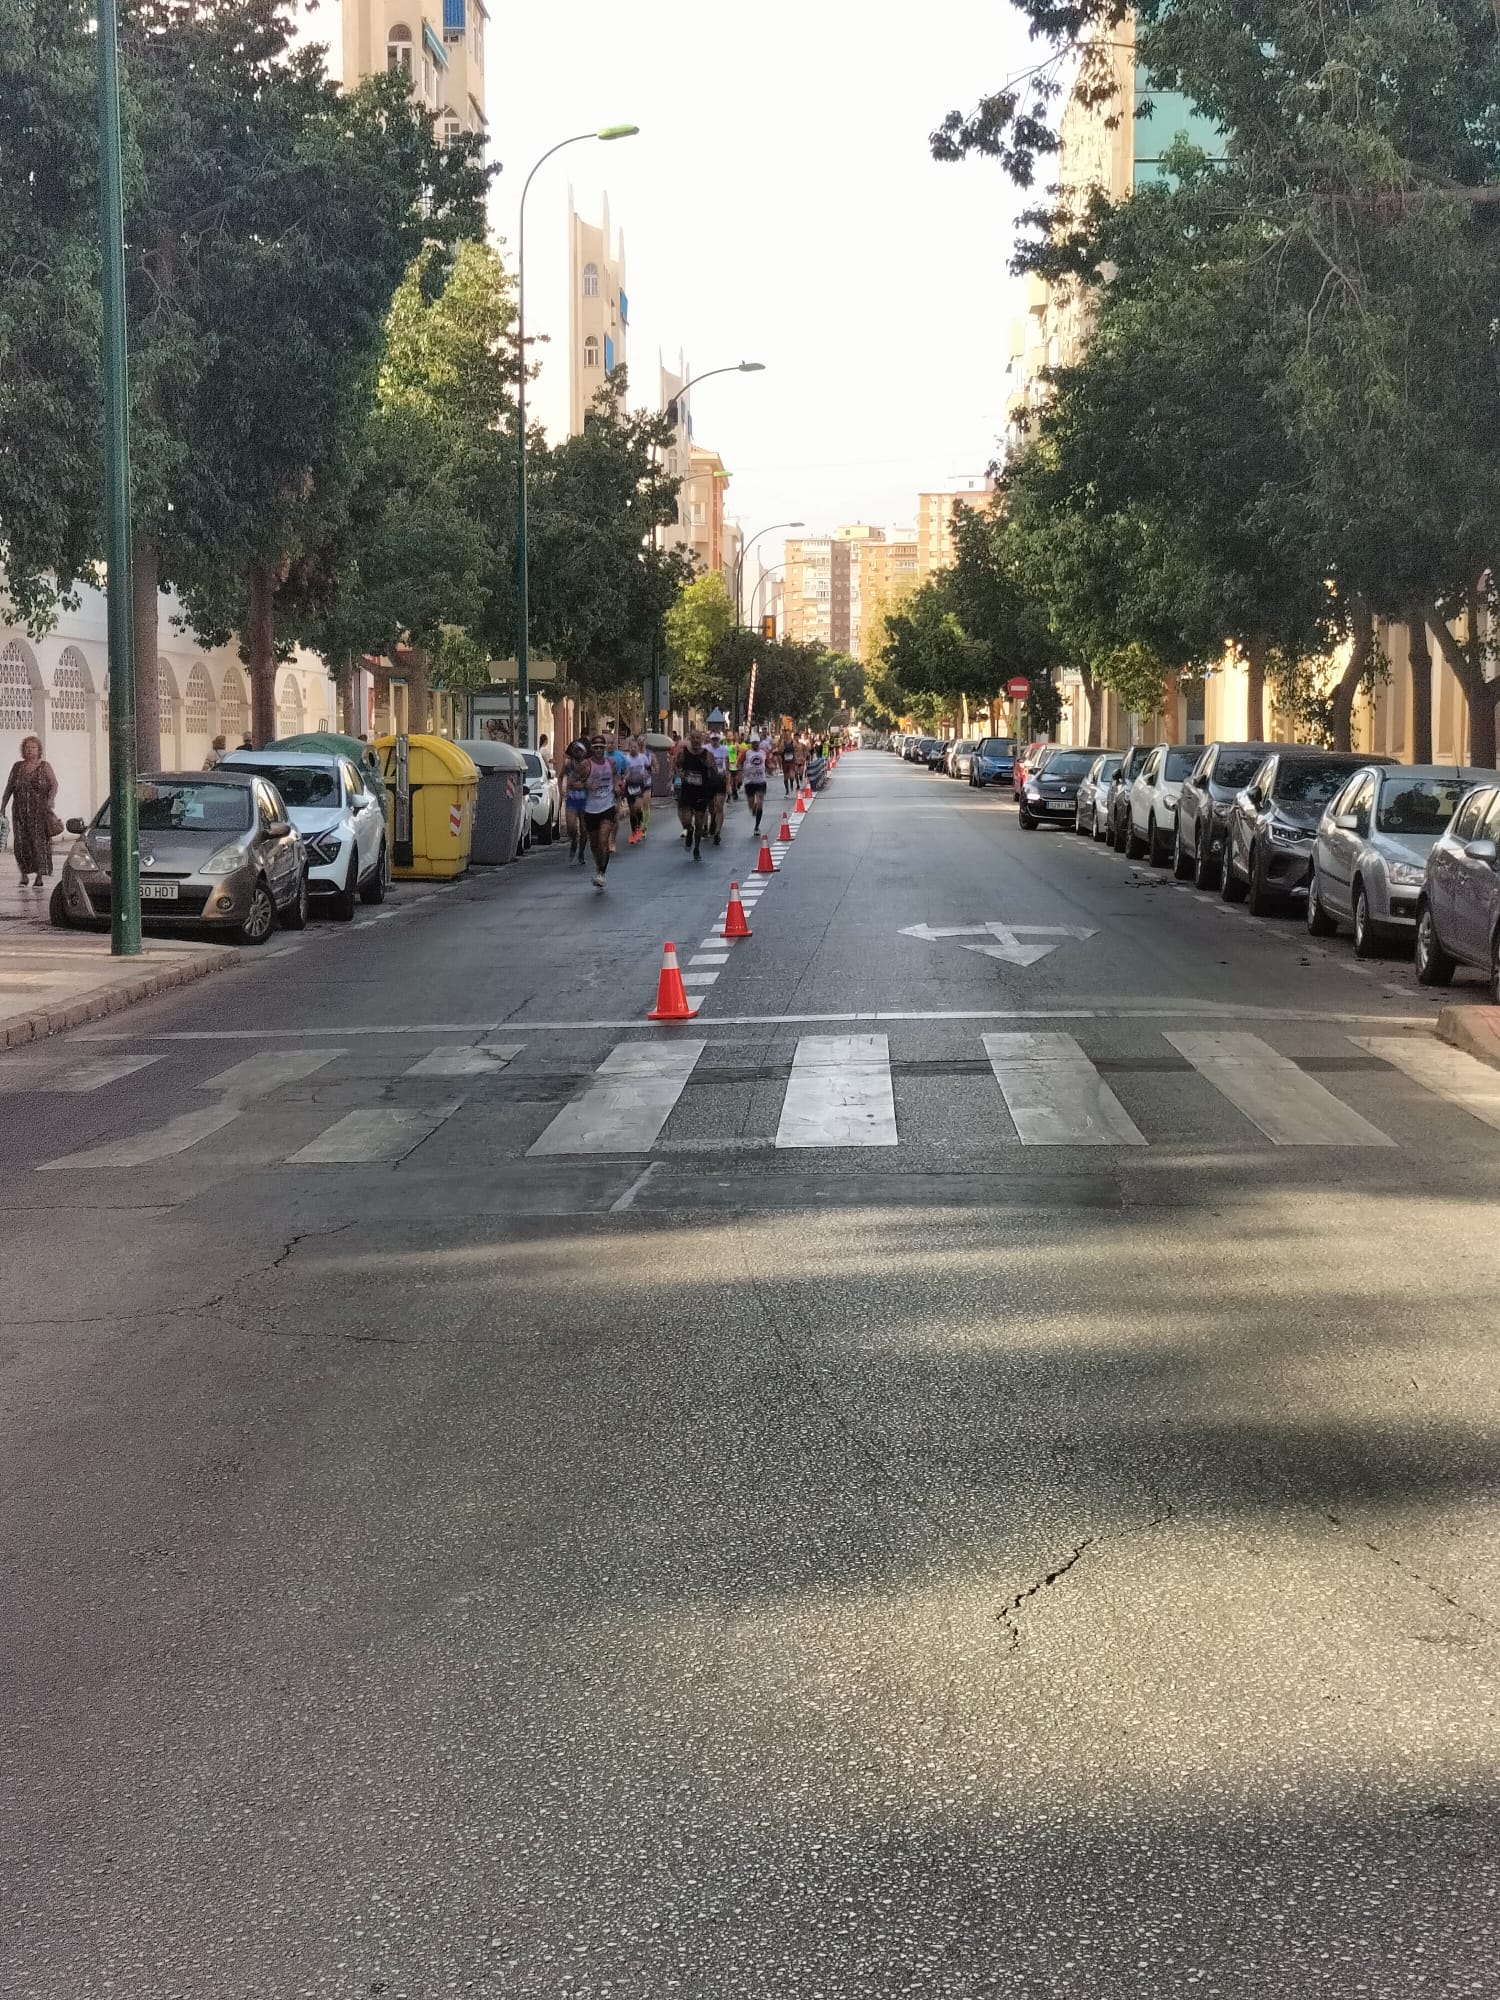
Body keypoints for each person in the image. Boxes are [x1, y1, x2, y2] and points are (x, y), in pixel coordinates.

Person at [2, 735, 60, 888]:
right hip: (20, 812)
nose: (30, 750)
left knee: (39, 844)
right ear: (23, 750)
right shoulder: (17, 767)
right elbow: (9, 787)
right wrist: (3, 806)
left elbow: (54, 784)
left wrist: (50, 799)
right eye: (27, 747)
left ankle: (39, 877)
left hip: (39, 813)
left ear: (39, 749)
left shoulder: (45, 766)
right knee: (21, 844)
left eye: (33, 747)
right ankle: (24, 875)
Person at [580, 733, 622, 888]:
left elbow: (616, 778)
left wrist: (618, 787)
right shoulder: (586, 765)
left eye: (601, 748)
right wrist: (586, 785)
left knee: (604, 840)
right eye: (596, 748)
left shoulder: (611, 763)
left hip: (607, 806)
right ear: (592, 749)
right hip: (590, 809)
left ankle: (602, 873)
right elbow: (573, 783)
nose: (599, 750)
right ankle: (599, 867)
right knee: (594, 844)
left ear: (605, 749)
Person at [676, 727, 714, 860]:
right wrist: (680, 773)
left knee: (699, 823)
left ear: (702, 739)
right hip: (687, 791)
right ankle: (689, 832)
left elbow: (713, 770)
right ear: (690, 739)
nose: (696, 741)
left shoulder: (707, 754)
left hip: (701, 792)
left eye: (699, 738)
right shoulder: (684, 752)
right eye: (694, 738)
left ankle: (696, 848)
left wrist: (710, 767)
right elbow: (677, 765)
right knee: (686, 821)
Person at [562, 739, 590, 864]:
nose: (578, 754)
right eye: (576, 751)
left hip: (585, 801)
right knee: (571, 827)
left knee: (584, 829)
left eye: (580, 751)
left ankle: (581, 853)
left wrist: (584, 785)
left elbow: (594, 781)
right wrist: (561, 789)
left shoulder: (588, 765)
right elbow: (560, 776)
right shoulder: (568, 764)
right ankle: (574, 840)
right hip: (572, 800)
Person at [624, 736, 653, 844]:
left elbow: (649, 769)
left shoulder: (643, 757)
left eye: (635, 747)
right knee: (632, 811)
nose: (633, 749)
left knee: (638, 807)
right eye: (631, 747)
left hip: (640, 785)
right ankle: (634, 831)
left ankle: (640, 828)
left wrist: (646, 774)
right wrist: (625, 777)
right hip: (629, 785)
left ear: (637, 747)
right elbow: (623, 772)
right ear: (629, 748)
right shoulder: (626, 759)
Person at [741, 733, 769, 835]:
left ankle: (757, 827)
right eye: (753, 743)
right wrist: (741, 771)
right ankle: (753, 809)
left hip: (761, 781)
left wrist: (771, 765)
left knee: (760, 803)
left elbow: (768, 762)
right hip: (749, 782)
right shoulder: (746, 753)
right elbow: (739, 763)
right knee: (751, 804)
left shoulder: (764, 753)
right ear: (751, 744)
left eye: (757, 743)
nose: (755, 745)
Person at [706, 728, 730, 846]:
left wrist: (728, 783)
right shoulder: (706, 749)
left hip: (720, 780)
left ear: (719, 740)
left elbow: (727, 766)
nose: (715, 741)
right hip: (709, 781)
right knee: (711, 807)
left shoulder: (724, 750)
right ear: (710, 740)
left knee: (719, 806)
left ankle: (717, 833)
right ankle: (713, 820)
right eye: (713, 739)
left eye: (717, 739)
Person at [779, 726, 797, 796]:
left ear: (790, 735)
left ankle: (792, 786)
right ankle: (787, 791)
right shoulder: (782, 742)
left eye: (788, 734)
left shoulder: (793, 742)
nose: (787, 736)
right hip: (785, 761)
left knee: (792, 776)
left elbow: (796, 750)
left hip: (792, 761)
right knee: (786, 777)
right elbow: (780, 750)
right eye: (785, 734)